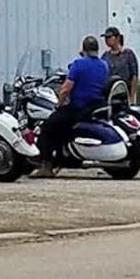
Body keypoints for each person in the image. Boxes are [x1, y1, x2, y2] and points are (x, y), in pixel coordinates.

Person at [36, 35, 110, 176]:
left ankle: (46, 166)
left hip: (79, 108)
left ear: (83, 50)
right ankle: (61, 157)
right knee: (62, 126)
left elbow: (66, 88)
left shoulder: (79, 64)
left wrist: (59, 103)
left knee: (47, 127)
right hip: (97, 106)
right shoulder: (104, 65)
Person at [103, 26, 139, 103]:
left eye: (109, 37)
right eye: (106, 38)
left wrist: (132, 97)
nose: (107, 40)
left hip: (124, 93)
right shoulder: (105, 56)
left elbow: (134, 76)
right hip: (109, 95)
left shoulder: (128, 54)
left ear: (117, 38)